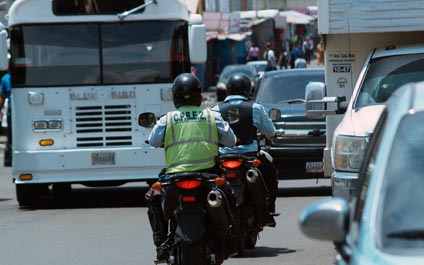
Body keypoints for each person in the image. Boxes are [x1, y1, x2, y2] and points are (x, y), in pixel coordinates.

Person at [145, 73, 237, 261]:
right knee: (229, 196)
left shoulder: (167, 119)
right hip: (207, 176)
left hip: (174, 178)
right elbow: (231, 140)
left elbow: (154, 141)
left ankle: (162, 243)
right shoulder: (212, 116)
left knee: (153, 197)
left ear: (175, 96)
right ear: (199, 95)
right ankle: (231, 240)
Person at [211, 73, 279, 226]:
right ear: (248, 90)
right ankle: (268, 210)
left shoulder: (215, 109)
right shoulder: (255, 108)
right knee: (271, 172)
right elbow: (270, 131)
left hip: (223, 158)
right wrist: (271, 136)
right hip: (249, 157)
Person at [0, 71, 11, 167]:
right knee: (10, 137)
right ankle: (8, 159)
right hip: (10, 114)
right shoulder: (5, 78)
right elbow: (2, 97)